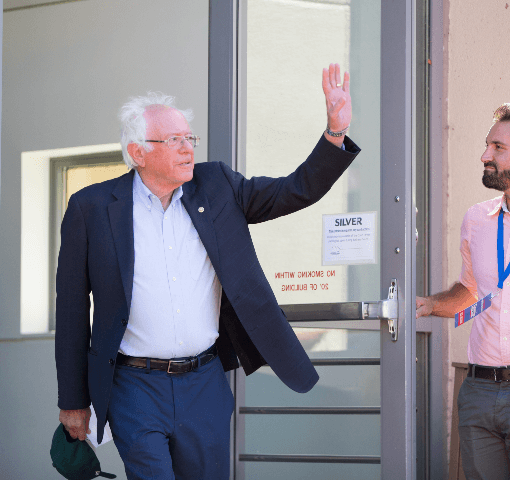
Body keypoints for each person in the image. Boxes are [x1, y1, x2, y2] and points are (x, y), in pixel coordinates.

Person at [55, 64, 360, 480]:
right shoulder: (90, 208)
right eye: (174, 139)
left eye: (189, 138)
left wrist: (335, 134)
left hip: (204, 382)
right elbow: (71, 311)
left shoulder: (218, 186)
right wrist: (73, 400)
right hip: (133, 387)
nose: (187, 148)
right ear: (137, 152)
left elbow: (295, 190)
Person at [416, 103, 510, 480]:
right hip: (480, 391)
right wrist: (429, 305)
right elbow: (471, 290)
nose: (485, 155)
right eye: (488, 145)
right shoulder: (476, 219)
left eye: (498, 148)